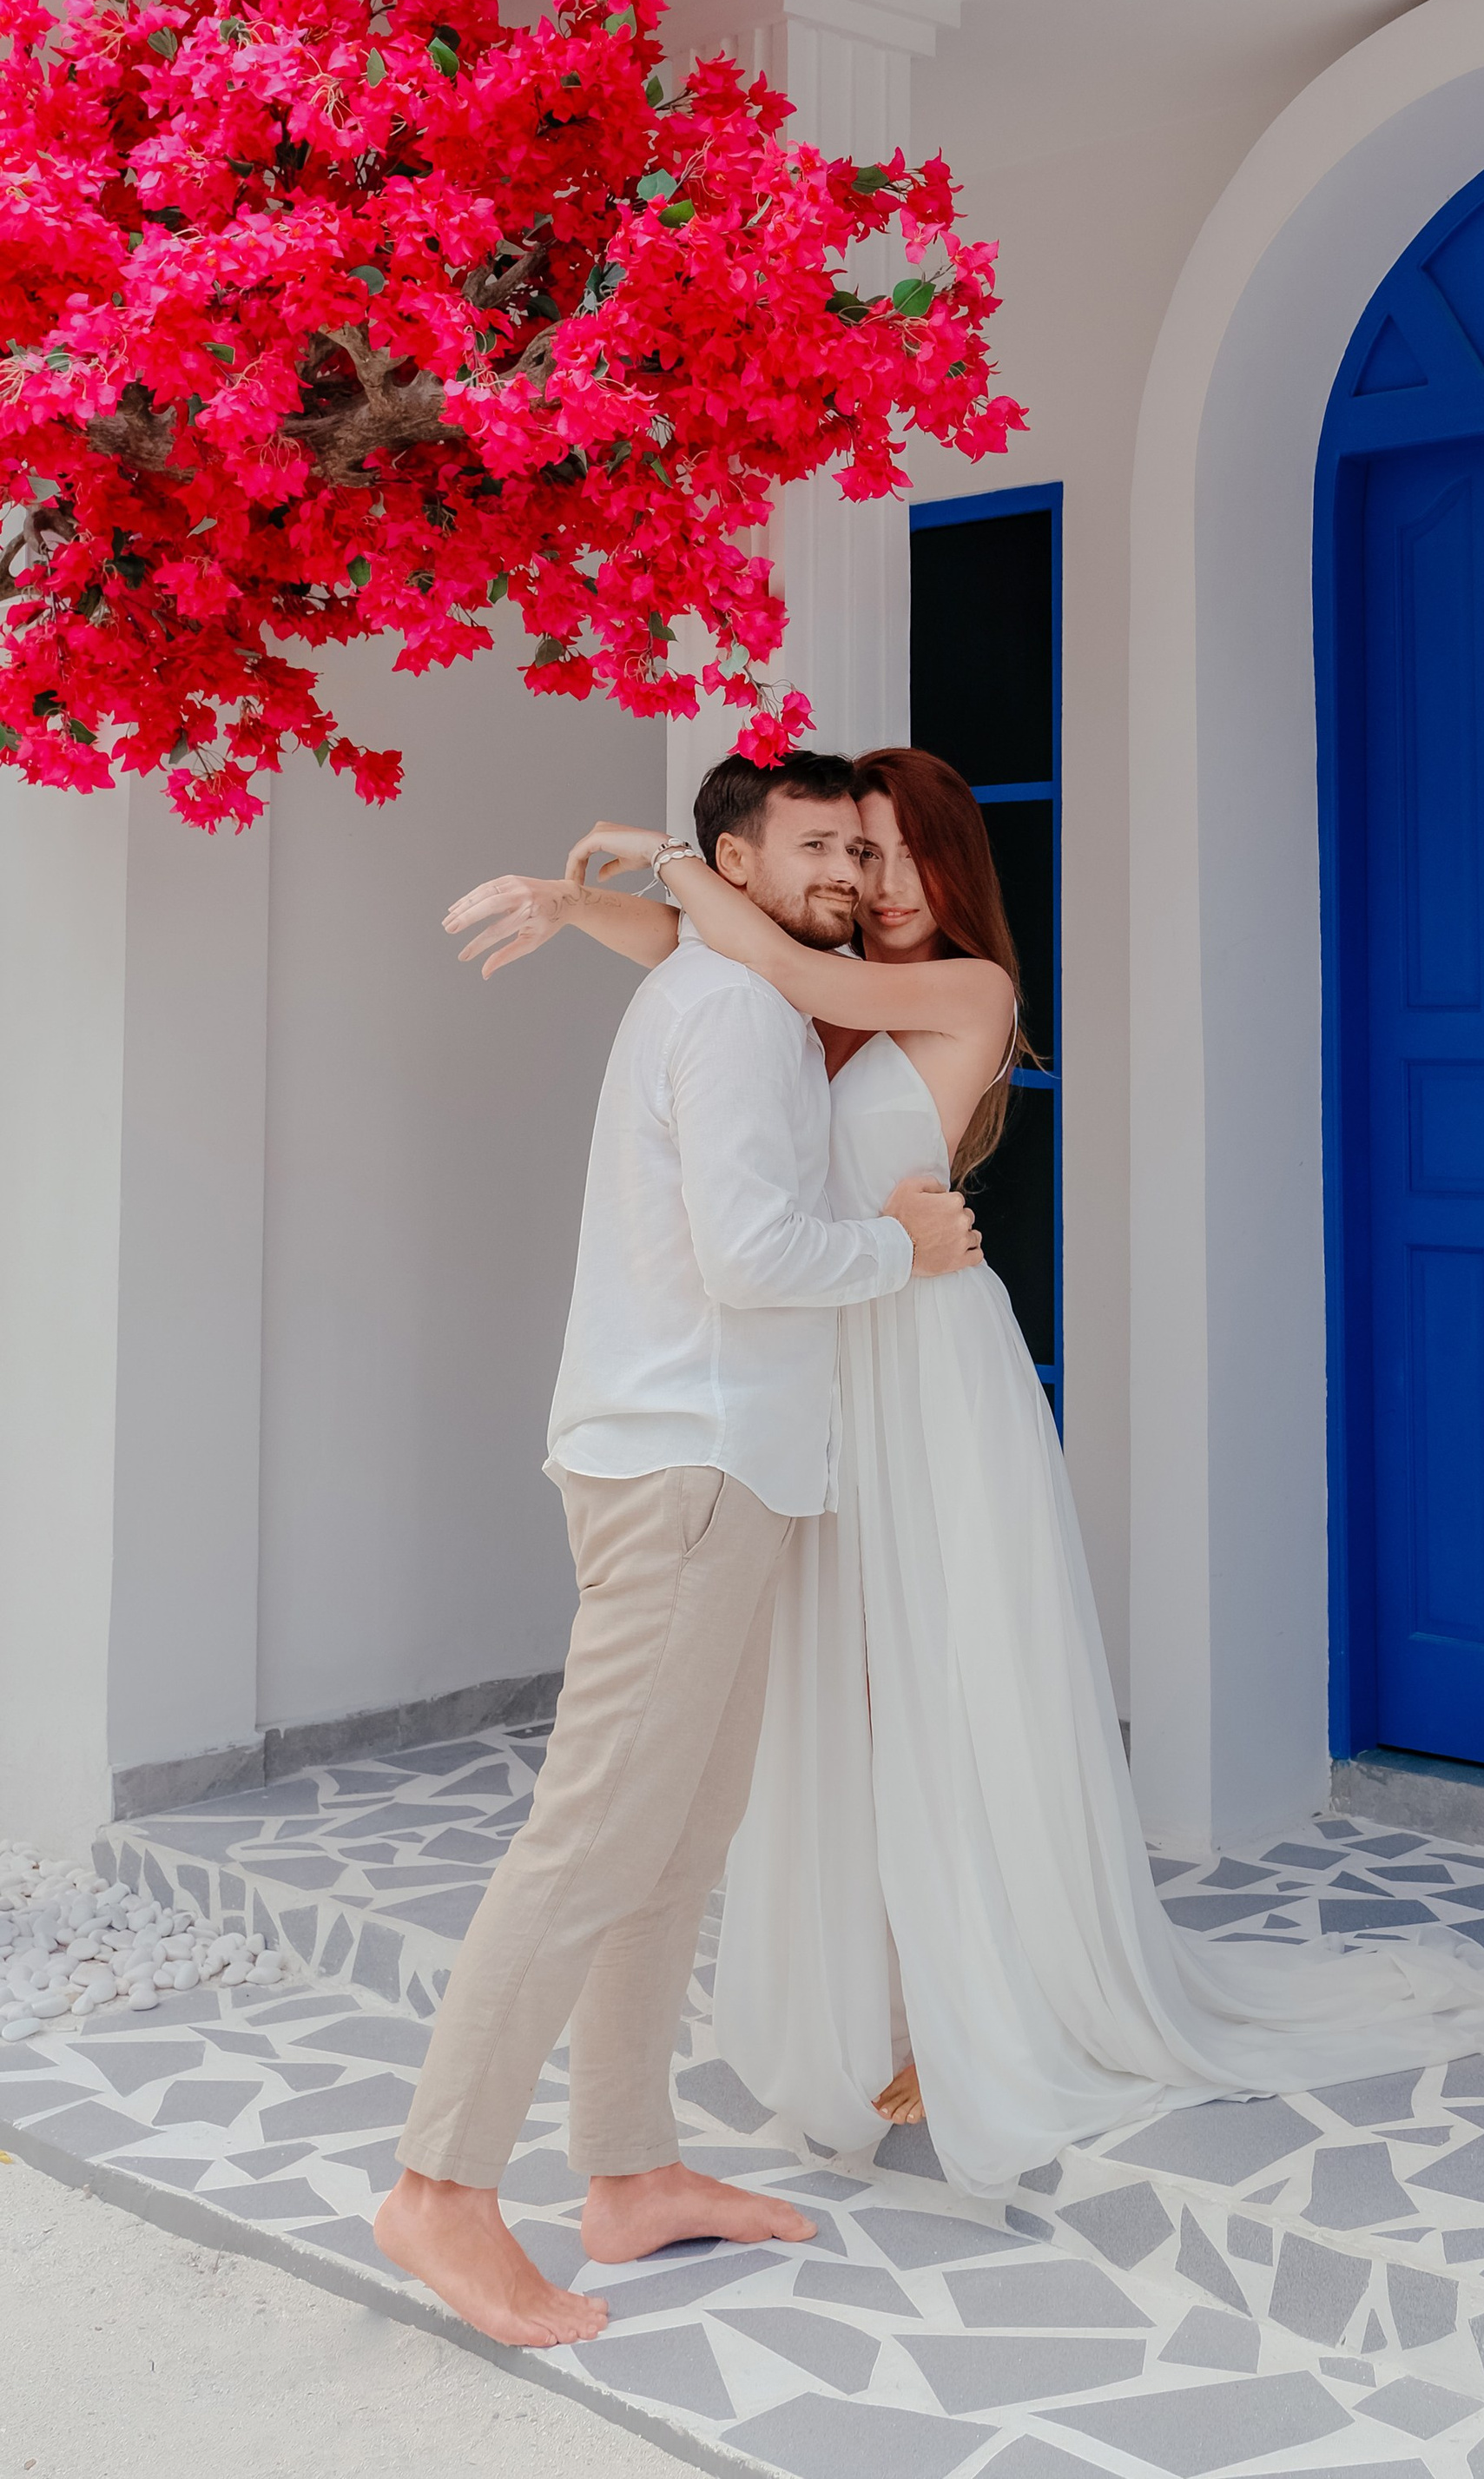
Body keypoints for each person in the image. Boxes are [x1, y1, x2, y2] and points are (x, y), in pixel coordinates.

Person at [446, 747, 1484, 2203]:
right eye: (856, 852)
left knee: (940, 1678)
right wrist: (588, 901)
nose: (878, 881)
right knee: (841, 1694)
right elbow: (722, 962)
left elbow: (769, 956)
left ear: (954, 866)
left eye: (901, 854)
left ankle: (967, 1999)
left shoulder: (965, 992)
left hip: (924, 1357)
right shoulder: (800, 989)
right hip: (825, 1358)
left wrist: (679, 856)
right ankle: (885, 2002)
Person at [373, 752, 982, 2347]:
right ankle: (440, 2190)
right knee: (592, 1840)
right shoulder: (733, 1011)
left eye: (858, 847)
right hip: (685, 1467)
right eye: (814, 844)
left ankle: (630, 2171)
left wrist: (611, 891)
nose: (846, 868)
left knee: (672, 1840)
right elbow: (754, 1254)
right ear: (737, 862)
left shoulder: (741, 991)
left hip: (723, 1465)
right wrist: (904, 1246)